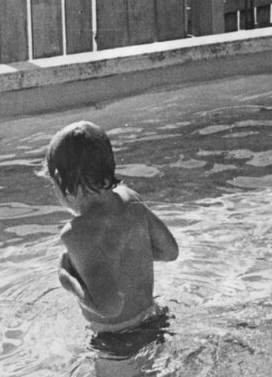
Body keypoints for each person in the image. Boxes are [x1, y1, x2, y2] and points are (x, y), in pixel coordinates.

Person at [45, 121, 179, 335]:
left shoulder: (77, 232)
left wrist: (67, 280)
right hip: (156, 321)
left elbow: (108, 307)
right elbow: (170, 251)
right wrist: (133, 257)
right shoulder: (131, 199)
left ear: (60, 179)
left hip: (118, 341)